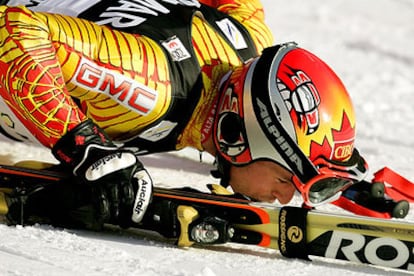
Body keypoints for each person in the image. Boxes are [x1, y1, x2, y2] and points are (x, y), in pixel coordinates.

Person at [0, 0, 368, 229]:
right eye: (287, 180)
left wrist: (336, 181)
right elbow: (9, 30)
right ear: (237, 137)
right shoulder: (148, 91)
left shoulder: (250, 40)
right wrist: (85, 146)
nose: (286, 198)